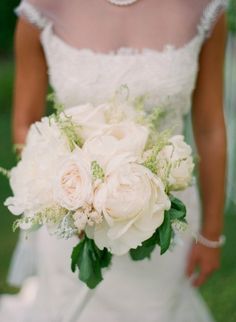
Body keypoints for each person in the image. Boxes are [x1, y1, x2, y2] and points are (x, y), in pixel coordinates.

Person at [0, 0, 228, 321]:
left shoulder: (202, 9)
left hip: (165, 223)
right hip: (72, 219)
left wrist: (211, 233)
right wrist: (72, 199)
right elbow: (25, 122)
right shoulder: (43, 8)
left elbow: (210, 128)